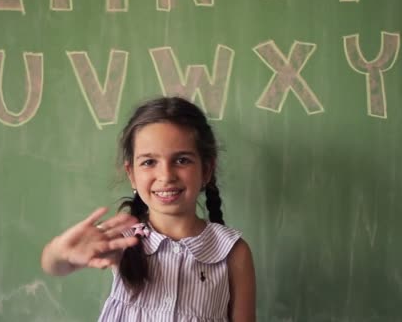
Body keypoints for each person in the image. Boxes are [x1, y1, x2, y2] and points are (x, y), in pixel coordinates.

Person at [40, 97, 256, 321]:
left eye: (182, 160)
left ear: (207, 169)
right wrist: (60, 253)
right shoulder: (122, 239)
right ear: (131, 173)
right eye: (149, 162)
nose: (166, 176)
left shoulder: (233, 251)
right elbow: (53, 264)